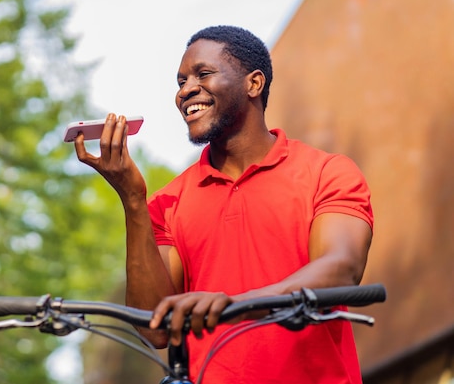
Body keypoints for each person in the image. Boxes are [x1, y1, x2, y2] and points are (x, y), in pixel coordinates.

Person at [74, 25, 373, 383]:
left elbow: (341, 270)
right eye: (181, 80)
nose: (186, 90)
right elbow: (154, 329)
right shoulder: (167, 203)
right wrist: (133, 201)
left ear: (254, 84)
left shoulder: (327, 172)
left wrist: (236, 305)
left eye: (203, 74)